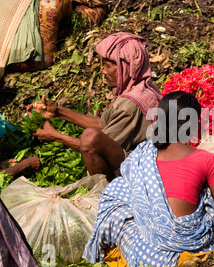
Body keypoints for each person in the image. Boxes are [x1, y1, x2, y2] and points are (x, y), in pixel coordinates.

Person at [83, 91, 214, 267]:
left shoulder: (142, 156)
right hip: (190, 249)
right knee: (205, 194)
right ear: (191, 124)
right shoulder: (207, 160)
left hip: (144, 253)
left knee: (123, 202)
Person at [26, 32, 162, 182]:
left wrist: (57, 136)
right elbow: (101, 124)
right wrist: (58, 111)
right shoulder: (141, 89)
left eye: (108, 66)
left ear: (127, 68)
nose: (103, 71)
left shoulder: (131, 105)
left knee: (90, 139)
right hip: (139, 164)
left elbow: (95, 145)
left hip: (140, 175)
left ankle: (102, 194)